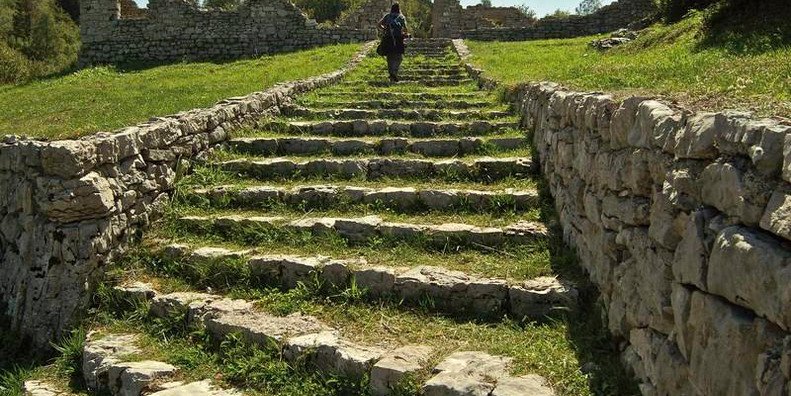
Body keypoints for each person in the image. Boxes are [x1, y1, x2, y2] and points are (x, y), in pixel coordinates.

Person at [378, 3, 409, 82]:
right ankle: (394, 72)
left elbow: (379, 24)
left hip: (388, 38)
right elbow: (405, 29)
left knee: (390, 57)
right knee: (399, 57)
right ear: (399, 9)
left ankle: (391, 73)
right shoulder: (401, 17)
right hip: (398, 39)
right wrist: (404, 34)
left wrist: (384, 29)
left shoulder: (387, 16)